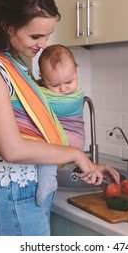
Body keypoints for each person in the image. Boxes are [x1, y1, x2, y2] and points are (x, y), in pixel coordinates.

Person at [0, 0, 120, 236]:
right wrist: (77, 155)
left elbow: (36, 131)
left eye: (47, 36)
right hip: (13, 195)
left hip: (23, 193)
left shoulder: (16, 65)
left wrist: (89, 166)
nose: (43, 44)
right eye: (35, 35)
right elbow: (13, 149)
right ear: (8, 26)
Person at [36, 44, 86, 205]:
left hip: (69, 138)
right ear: (43, 79)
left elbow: (32, 96)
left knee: (46, 154)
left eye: (69, 81)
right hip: (73, 140)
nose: (64, 89)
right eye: (55, 85)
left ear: (76, 71)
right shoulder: (68, 87)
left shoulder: (74, 96)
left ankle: (47, 181)